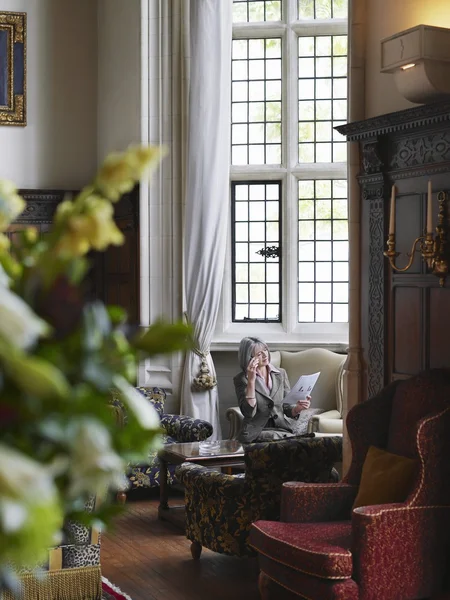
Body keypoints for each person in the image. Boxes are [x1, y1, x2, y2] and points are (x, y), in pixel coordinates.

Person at [234, 337, 311, 443]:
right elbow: (248, 412)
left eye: (265, 350)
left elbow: (287, 406)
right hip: (256, 432)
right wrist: (251, 380)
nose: (265, 355)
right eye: (259, 354)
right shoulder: (242, 379)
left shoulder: (281, 373)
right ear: (250, 358)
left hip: (281, 429)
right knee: (287, 442)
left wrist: (297, 408)